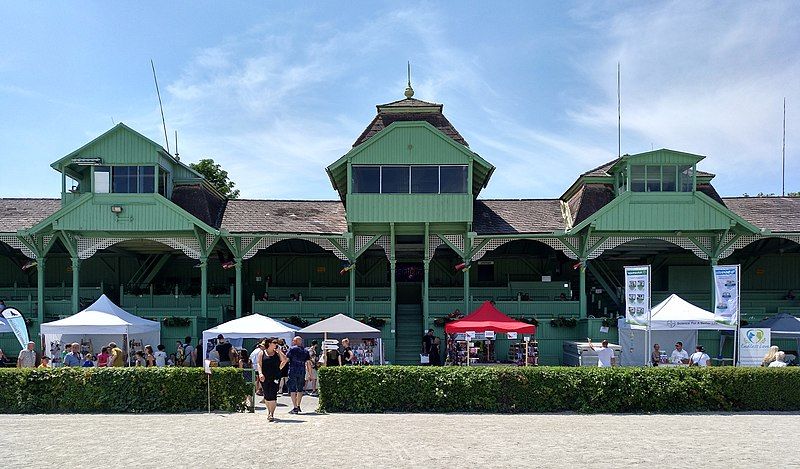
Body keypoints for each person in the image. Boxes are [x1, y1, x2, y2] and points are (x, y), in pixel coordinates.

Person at [257, 338, 288, 422]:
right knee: (267, 395)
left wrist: (279, 352)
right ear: (269, 344)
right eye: (274, 343)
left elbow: (285, 360)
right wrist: (260, 373)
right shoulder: (262, 353)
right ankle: (269, 411)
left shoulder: (277, 354)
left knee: (273, 394)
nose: (276, 344)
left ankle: (271, 413)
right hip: (265, 376)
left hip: (275, 377)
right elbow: (259, 364)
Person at [285, 336, 312, 414]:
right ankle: (298, 405)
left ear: (296, 341)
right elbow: (308, 363)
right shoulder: (305, 351)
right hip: (302, 371)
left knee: (292, 389)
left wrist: (280, 367)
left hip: (293, 370)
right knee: (300, 389)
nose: (293, 342)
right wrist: (310, 374)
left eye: (293, 341)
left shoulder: (292, 349)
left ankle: (295, 407)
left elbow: (286, 359)